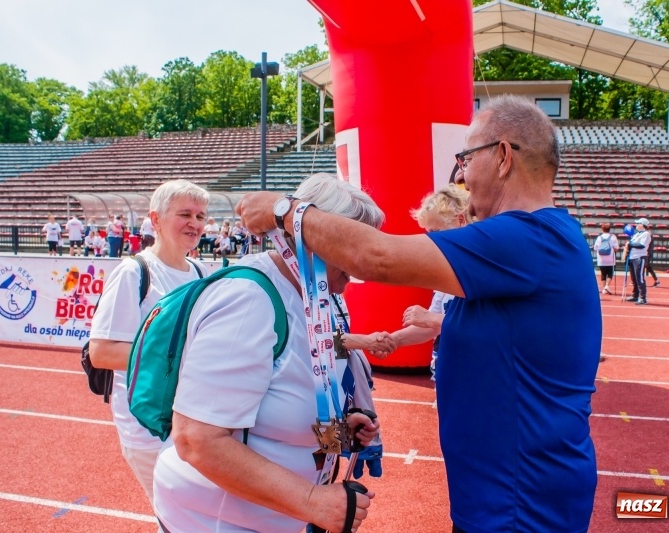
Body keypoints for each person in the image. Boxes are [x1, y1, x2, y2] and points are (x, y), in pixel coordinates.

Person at [237, 95, 602, 532]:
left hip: (519, 506)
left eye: (466, 159)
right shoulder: (535, 241)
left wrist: (285, 211)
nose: (461, 176)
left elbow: (377, 257)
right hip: (508, 496)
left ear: (503, 157)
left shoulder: (528, 237)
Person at [153, 174, 381, 533]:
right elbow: (196, 440)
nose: (360, 264)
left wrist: (338, 428)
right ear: (311, 241)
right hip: (216, 520)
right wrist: (312, 501)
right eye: (349, 246)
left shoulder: (320, 295)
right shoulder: (249, 299)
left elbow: (298, 386)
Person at [89, 179, 209, 506]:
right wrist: (181, 356)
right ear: (155, 220)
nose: (195, 223)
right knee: (180, 517)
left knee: (191, 517)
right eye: (185, 214)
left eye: (201, 216)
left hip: (188, 419)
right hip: (145, 426)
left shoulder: (200, 271)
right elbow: (101, 352)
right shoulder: (135, 272)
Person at [378, 185, 470, 382]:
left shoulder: (477, 268)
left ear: (460, 220)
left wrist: (431, 319)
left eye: (435, 232)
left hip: (472, 372)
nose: (430, 240)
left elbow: (480, 327)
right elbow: (431, 328)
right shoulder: (446, 268)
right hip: (448, 368)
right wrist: (393, 340)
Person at [624, 218, 651, 305]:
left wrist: (630, 244)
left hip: (639, 257)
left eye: (638, 223)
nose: (636, 225)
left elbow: (642, 245)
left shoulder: (646, 234)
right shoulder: (636, 234)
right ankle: (635, 295)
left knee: (640, 278)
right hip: (632, 257)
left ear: (642, 225)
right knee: (634, 278)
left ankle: (643, 297)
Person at [593, 223, 619, 295]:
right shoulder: (613, 237)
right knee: (610, 273)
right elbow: (616, 248)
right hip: (610, 258)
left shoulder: (599, 237)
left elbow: (595, 248)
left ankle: (604, 288)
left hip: (601, 258)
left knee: (603, 274)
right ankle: (607, 286)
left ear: (602, 229)